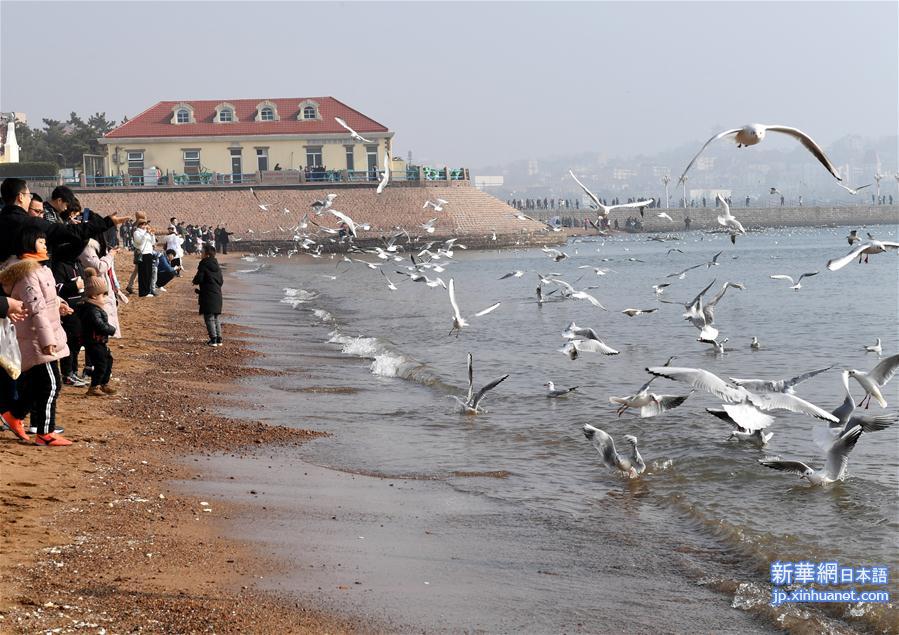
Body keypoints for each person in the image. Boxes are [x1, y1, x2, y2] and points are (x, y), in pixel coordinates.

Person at [0, 228, 72, 446]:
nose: (45, 245)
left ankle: (14, 415)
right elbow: (37, 309)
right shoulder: (27, 273)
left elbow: (47, 300)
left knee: (35, 386)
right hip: (36, 338)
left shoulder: (41, 269)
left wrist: (60, 304)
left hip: (43, 333)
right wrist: (47, 341)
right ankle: (45, 431)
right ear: (30, 244)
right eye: (41, 242)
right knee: (52, 384)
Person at [0, 178, 123, 264]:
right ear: (20, 197)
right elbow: (66, 232)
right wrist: (106, 222)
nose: (30, 198)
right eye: (28, 195)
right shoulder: (29, 223)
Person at [76, 268, 117, 397]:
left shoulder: (95, 308)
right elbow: (99, 325)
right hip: (93, 342)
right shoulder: (91, 310)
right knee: (101, 364)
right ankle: (94, 387)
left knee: (108, 360)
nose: (105, 298)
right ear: (94, 296)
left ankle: (104, 383)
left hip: (99, 341)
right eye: (103, 295)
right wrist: (111, 329)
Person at [192, 244, 223, 347]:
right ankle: (219, 339)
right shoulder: (217, 265)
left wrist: (194, 281)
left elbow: (199, 278)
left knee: (209, 317)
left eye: (202, 252)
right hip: (217, 293)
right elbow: (221, 281)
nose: (201, 253)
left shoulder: (204, 264)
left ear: (206, 254)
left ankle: (213, 339)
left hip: (208, 294)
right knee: (216, 317)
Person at [132, 218, 157, 297]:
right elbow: (140, 242)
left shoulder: (147, 233)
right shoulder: (136, 232)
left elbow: (153, 242)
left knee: (148, 273)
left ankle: (147, 291)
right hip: (143, 254)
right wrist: (146, 233)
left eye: (145, 224)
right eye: (142, 224)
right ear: (139, 225)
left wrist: (152, 235)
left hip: (149, 253)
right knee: (143, 274)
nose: (144, 226)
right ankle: (143, 292)